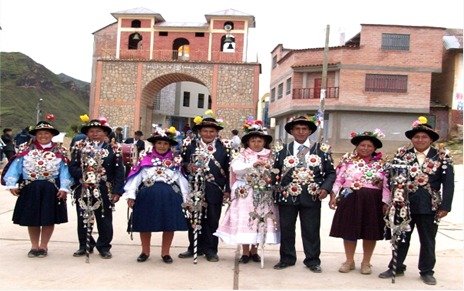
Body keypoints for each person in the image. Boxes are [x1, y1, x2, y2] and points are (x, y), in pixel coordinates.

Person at [378, 116, 454, 285]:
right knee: (400, 236)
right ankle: (396, 266)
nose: (420, 140)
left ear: (431, 139)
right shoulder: (402, 154)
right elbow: (391, 179)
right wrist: (390, 202)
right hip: (404, 204)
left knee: (427, 239)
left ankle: (426, 271)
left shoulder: (441, 156)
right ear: (412, 139)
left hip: (430, 205)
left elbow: (448, 184)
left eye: (424, 137)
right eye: (416, 137)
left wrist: (445, 206)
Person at [272, 115, 336, 272]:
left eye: (304, 128)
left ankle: (312, 260)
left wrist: (326, 188)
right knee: (286, 229)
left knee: (311, 229)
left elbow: (331, 173)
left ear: (309, 131)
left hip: (312, 196)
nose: (301, 131)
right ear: (291, 131)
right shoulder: (282, 151)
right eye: (297, 129)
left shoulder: (321, 150)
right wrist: (273, 187)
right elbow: (275, 172)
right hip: (287, 196)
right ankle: (287, 258)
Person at [3, 121, 73, 258]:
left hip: (51, 188)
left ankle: (44, 246)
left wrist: (64, 187)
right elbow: (16, 167)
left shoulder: (60, 151)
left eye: (46, 133)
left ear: (52, 135)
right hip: (31, 188)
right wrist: (11, 184)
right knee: (32, 218)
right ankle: (34, 246)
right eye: (40, 133)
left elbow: (65, 171)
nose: (43, 136)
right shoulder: (26, 149)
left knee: (48, 218)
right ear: (35, 135)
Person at [214, 119, 280, 264]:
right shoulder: (242, 155)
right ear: (248, 142)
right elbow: (236, 169)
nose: (256, 143)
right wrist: (252, 164)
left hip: (263, 192)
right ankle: (245, 251)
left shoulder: (270, 156)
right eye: (253, 141)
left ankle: (254, 250)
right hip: (245, 193)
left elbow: (276, 173)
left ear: (264, 142)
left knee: (259, 220)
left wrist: (268, 170)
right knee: (246, 219)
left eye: (259, 141)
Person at [328, 129, 391, 275]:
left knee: (370, 232)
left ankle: (366, 262)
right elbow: (339, 179)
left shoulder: (382, 164)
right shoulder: (347, 161)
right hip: (350, 199)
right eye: (362, 145)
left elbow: (387, 185)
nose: (365, 148)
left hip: (372, 202)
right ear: (357, 146)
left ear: (375, 148)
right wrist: (333, 195)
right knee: (349, 230)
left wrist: (386, 202)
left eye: (369, 146)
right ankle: (349, 261)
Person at [123, 126, 189, 263]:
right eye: (159, 143)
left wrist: (186, 199)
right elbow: (136, 178)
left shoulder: (176, 162)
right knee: (145, 224)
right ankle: (145, 252)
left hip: (170, 197)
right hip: (147, 196)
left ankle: (166, 253)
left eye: (165, 143)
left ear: (170, 145)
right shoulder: (145, 160)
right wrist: (131, 195)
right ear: (154, 144)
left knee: (169, 224)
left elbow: (182, 181)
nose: (162, 146)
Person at [179, 111, 232, 262]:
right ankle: (194, 247)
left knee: (212, 219)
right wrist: (188, 166)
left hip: (215, 189)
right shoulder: (189, 145)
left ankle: (211, 250)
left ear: (216, 132)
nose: (208, 134)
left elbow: (230, 170)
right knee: (194, 218)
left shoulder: (224, 147)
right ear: (199, 132)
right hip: (194, 187)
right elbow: (181, 163)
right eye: (205, 131)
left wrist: (228, 190)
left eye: (212, 131)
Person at [69, 119, 125, 259]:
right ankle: (84, 245)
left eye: (98, 131)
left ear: (105, 133)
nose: (95, 134)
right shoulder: (79, 147)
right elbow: (73, 166)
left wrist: (117, 191)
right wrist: (84, 176)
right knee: (83, 217)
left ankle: (104, 246)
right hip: (83, 186)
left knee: (104, 217)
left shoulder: (113, 148)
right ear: (87, 133)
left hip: (104, 187)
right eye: (91, 131)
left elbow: (119, 172)